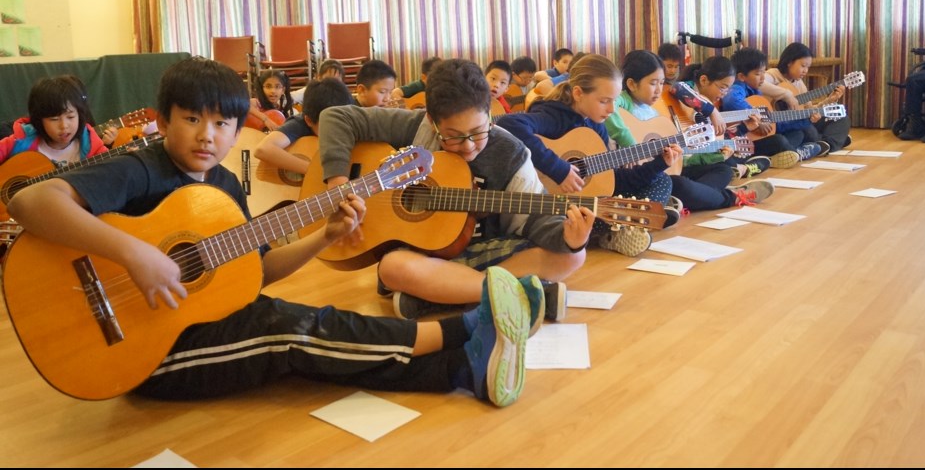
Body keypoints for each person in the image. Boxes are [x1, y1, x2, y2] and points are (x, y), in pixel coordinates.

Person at [7, 56, 537, 408]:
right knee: (287, 333)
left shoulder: (220, 188)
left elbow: (254, 272)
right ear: (163, 121)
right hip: (142, 353)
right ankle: (459, 342)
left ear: (239, 129)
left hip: (198, 321)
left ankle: (461, 361)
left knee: (309, 323)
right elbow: (31, 200)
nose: (206, 135)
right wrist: (134, 254)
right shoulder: (142, 168)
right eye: (192, 119)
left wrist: (324, 236)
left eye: (222, 125)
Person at [319, 59, 595, 322]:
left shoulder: (512, 153)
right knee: (393, 267)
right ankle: (511, 293)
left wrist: (568, 236)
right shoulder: (415, 126)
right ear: (432, 121)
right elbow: (336, 117)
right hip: (422, 257)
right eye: (452, 136)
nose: (468, 146)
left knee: (573, 255)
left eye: (478, 132)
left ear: (490, 113)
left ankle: (435, 297)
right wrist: (339, 185)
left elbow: (535, 216)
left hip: (489, 252)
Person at [497, 54, 686, 257]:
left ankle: (613, 230)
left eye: (614, 101)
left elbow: (611, 180)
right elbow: (509, 124)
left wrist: (659, 163)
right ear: (578, 93)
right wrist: (559, 170)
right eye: (604, 101)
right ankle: (618, 227)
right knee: (581, 215)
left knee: (663, 181)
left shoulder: (596, 126)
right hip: (551, 208)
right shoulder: (554, 115)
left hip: (587, 204)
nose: (612, 109)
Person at [601, 51, 773, 215]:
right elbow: (611, 111)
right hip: (637, 178)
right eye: (653, 83)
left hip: (662, 171)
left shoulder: (654, 114)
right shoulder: (622, 101)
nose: (659, 90)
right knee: (678, 184)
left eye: (661, 83)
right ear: (631, 84)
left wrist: (716, 155)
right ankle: (728, 197)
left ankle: (695, 198)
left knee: (723, 169)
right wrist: (632, 147)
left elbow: (678, 158)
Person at [721, 47, 827, 167]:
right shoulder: (737, 88)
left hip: (757, 139)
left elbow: (775, 125)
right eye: (757, 73)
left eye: (763, 72)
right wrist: (757, 118)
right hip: (742, 143)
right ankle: (794, 153)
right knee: (779, 141)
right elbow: (731, 100)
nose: (762, 78)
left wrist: (807, 119)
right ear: (741, 76)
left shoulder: (757, 93)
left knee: (798, 133)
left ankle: (787, 154)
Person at [0, 75, 110, 168]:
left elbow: (111, 170)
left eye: (71, 117)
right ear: (39, 120)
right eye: (54, 119)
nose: (64, 126)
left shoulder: (92, 145)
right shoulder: (21, 141)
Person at [254, 77, 355, 178]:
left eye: (340, 125)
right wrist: (314, 170)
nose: (337, 132)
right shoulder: (300, 123)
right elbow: (263, 149)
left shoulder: (351, 118)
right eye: (331, 127)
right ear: (309, 121)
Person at [762, 42, 852, 152]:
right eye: (803, 66)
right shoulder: (773, 74)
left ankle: (826, 144)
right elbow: (760, 84)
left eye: (808, 67)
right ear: (790, 62)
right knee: (807, 130)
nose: (805, 71)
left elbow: (809, 110)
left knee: (842, 117)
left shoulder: (799, 83)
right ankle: (833, 140)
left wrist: (830, 100)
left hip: (800, 121)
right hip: (779, 124)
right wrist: (786, 94)